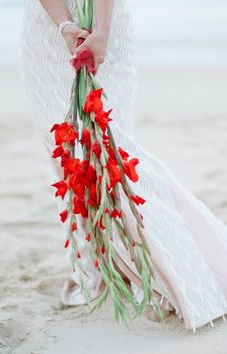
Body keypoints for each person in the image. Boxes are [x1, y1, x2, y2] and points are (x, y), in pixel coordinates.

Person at [21, 0, 227, 332]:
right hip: (47, 29)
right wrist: (64, 26)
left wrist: (101, 30)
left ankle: (176, 263)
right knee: (65, 151)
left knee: (111, 148)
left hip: (106, 21)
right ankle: (92, 267)